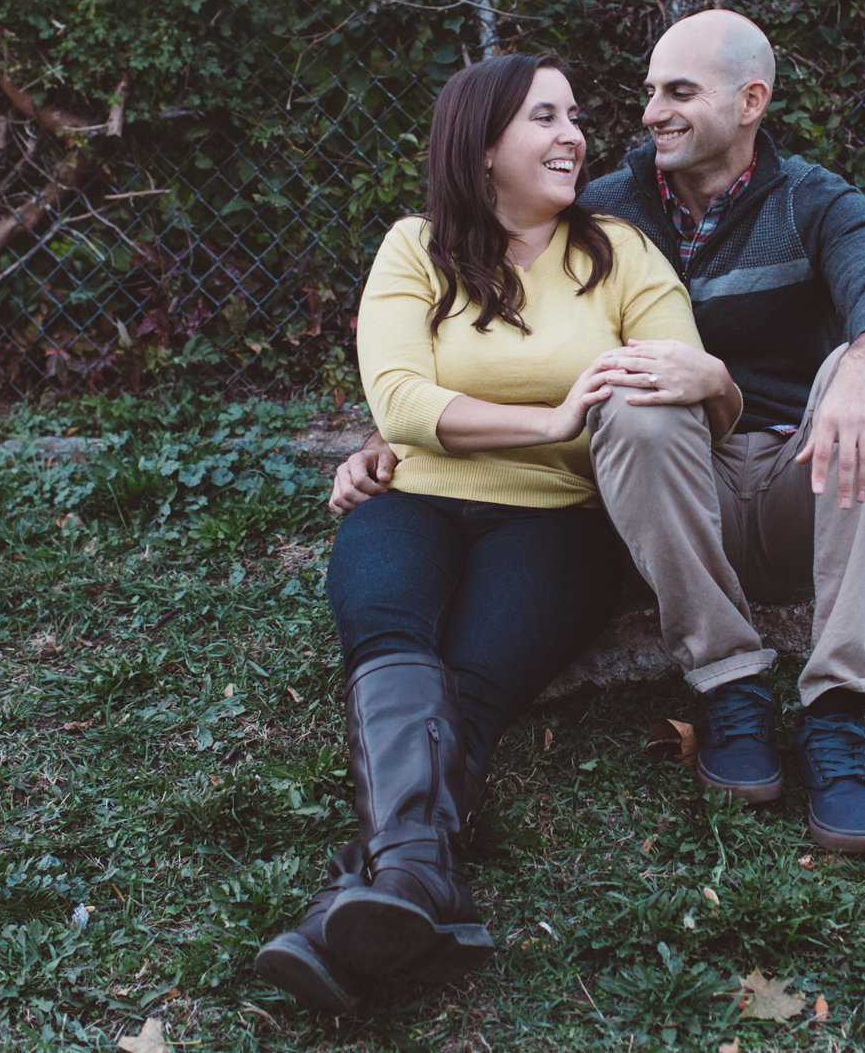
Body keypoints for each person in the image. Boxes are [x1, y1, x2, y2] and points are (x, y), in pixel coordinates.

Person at [331, 10, 865, 855]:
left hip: (802, 469)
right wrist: (391, 431)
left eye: (678, 91)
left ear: (751, 100)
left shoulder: (808, 201)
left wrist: (863, 364)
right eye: (648, 92)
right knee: (634, 400)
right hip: (676, 485)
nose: (647, 113)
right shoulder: (605, 205)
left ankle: (837, 711)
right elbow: (456, 350)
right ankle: (728, 686)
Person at [257, 53, 740, 1013]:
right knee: (390, 638)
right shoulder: (414, 246)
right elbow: (399, 400)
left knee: (473, 687)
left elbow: (678, 377)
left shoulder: (619, 252)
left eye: (573, 118)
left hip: (558, 518)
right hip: (415, 497)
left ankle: (366, 903)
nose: (574, 137)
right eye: (544, 118)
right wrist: (551, 416)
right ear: (481, 151)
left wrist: (696, 380)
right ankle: (417, 887)